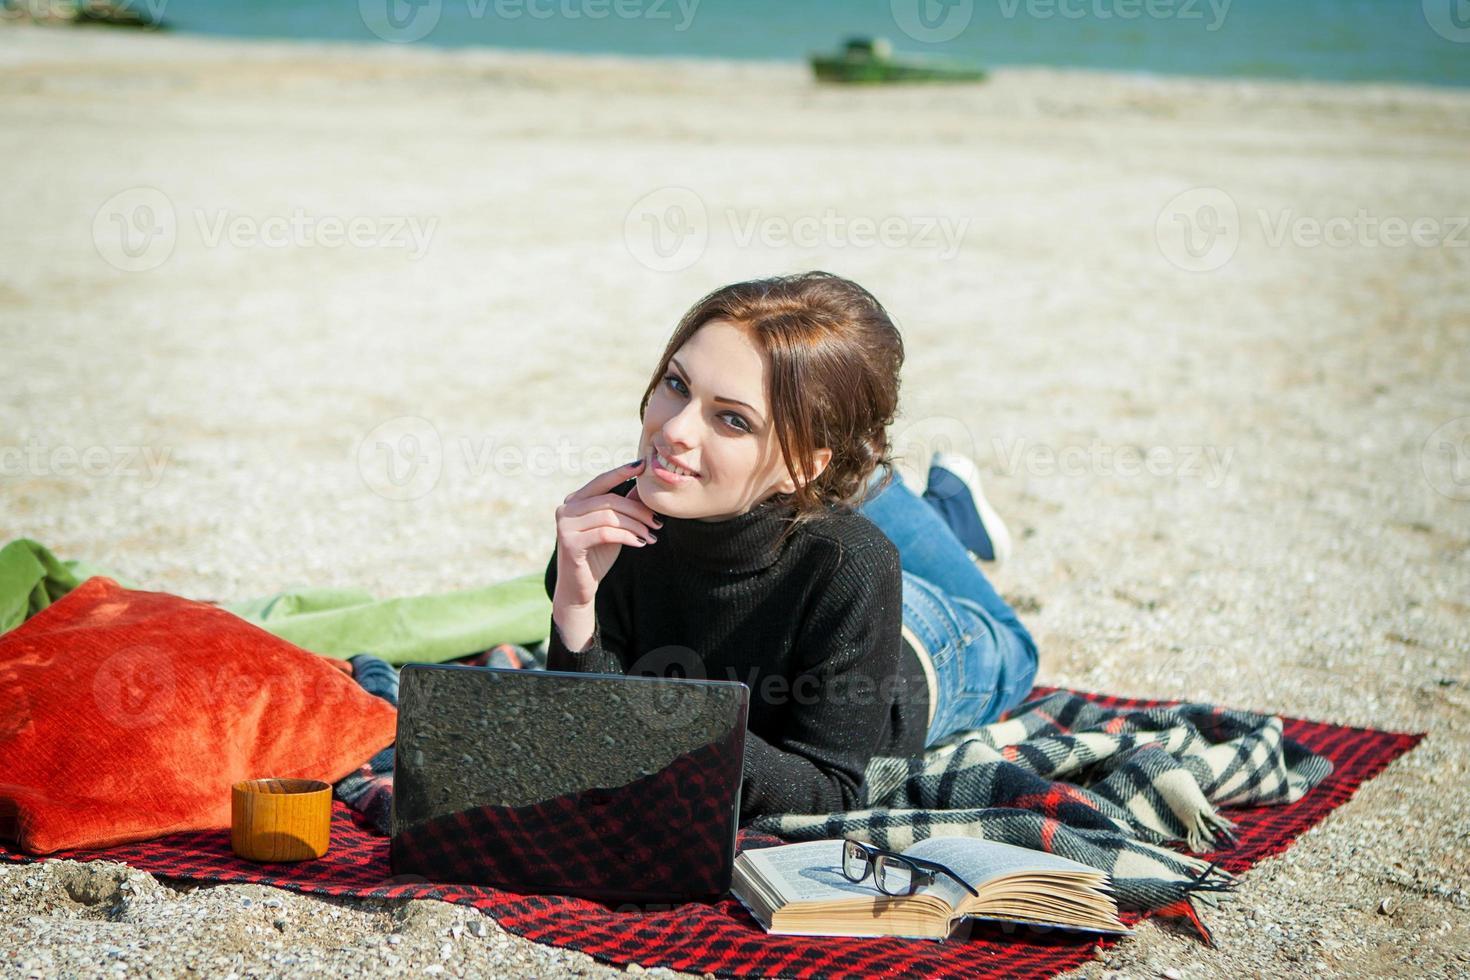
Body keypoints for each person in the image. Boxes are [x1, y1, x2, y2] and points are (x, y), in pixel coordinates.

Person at [543, 271, 1038, 824]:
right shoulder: (611, 531)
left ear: (801, 464)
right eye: (679, 385)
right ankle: (885, 487)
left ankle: (924, 496)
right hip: (804, 519)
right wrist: (574, 607)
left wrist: (678, 725)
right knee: (831, 496)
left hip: (925, 648)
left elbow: (829, 790)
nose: (675, 429)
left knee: (1018, 648)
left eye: (732, 419)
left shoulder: (853, 565)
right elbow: (585, 741)